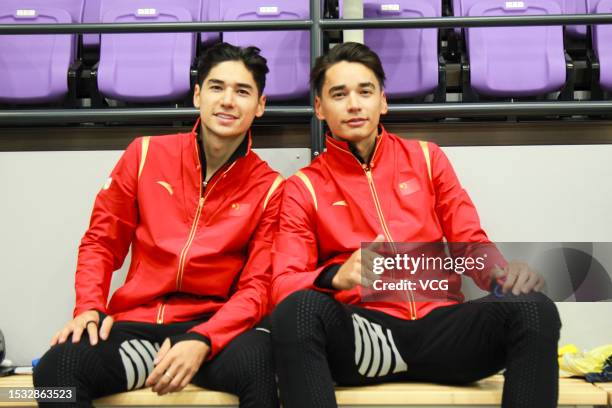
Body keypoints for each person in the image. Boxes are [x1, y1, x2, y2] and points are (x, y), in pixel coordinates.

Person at [270, 42, 561, 408]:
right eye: (339, 94)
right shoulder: (303, 187)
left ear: (383, 101)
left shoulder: (427, 158)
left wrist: (502, 275)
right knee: (296, 312)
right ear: (319, 108)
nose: (355, 104)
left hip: (443, 334)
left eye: (365, 91)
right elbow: (282, 284)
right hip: (368, 338)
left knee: (534, 307)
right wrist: (334, 277)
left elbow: (469, 241)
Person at [34, 42, 283, 408]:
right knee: (56, 370)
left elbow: (258, 288)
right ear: (198, 94)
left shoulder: (271, 187)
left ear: (260, 106)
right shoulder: (145, 154)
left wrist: (203, 338)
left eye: (242, 91)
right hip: (136, 329)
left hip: (215, 334)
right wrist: (88, 307)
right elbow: (101, 241)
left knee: (262, 361)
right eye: (217, 87)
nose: (228, 100)